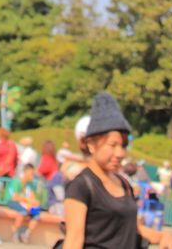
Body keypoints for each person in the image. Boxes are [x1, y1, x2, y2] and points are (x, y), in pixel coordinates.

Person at [61, 92, 165, 249]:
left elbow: (132, 230)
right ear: (91, 144)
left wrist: (161, 237)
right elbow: (74, 241)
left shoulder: (124, 184)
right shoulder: (81, 186)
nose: (120, 153)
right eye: (112, 145)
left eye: (123, 145)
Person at [9, 162, 45, 244]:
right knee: (23, 212)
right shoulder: (17, 181)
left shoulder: (30, 184)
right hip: (14, 202)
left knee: (36, 213)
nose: (32, 175)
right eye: (31, 173)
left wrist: (34, 203)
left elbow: (32, 197)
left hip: (25, 204)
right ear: (26, 172)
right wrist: (27, 202)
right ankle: (15, 231)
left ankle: (26, 234)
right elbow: (15, 197)